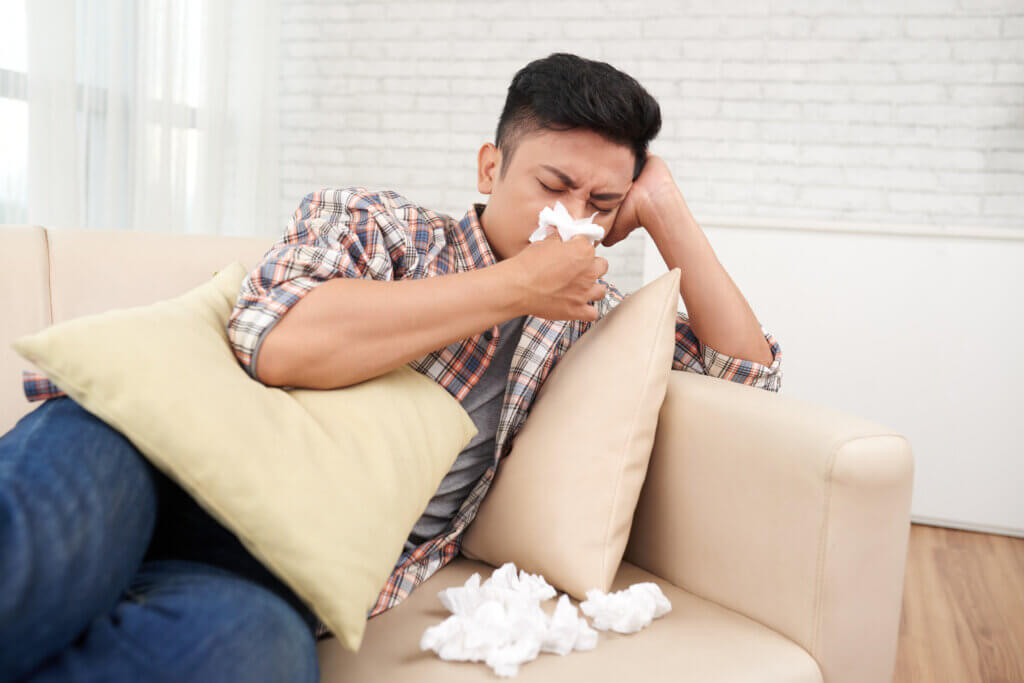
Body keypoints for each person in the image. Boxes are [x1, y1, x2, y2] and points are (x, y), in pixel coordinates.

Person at [2, 52, 782, 680]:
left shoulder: (587, 324)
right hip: (142, 458)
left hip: (271, 570)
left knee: (259, 656)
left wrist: (667, 209)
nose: (572, 218)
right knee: (37, 556)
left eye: (602, 205)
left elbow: (746, 375)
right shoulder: (381, 226)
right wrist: (516, 287)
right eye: (555, 185)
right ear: (489, 168)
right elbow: (282, 344)